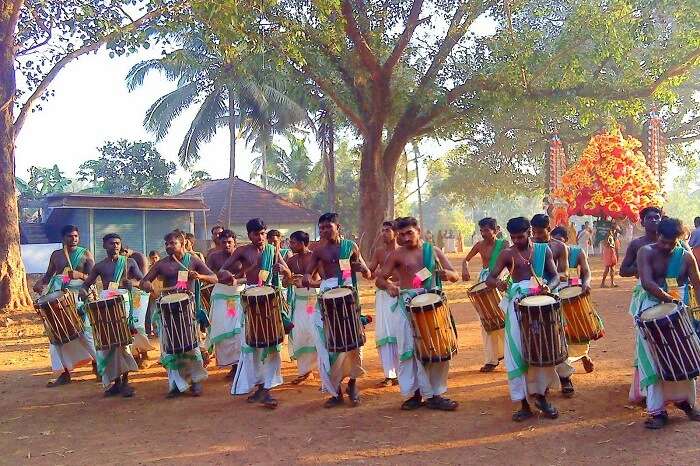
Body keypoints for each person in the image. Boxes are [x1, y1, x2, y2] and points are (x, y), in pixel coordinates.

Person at [376, 216, 461, 411]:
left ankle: (436, 394)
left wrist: (448, 275)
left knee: (435, 348)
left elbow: (454, 275)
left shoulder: (434, 251)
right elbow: (380, 279)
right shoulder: (396, 255)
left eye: (409, 233)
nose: (405, 238)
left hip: (434, 305)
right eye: (401, 234)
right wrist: (389, 285)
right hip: (407, 306)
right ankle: (414, 394)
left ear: (418, 231)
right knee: (409, 350)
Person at [485, 217, 561, 422]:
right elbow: (489, 278)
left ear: (530, 232)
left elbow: (555, 276)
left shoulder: (543, 251)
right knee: (517, 353)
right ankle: (524, 404)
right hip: (517, 308)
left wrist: (549, 287)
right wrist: (498, 284)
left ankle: (542, 397)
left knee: (541, 351)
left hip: (541, 307)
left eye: (521, 236)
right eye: (513, 237)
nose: (517, 240)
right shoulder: (507, 254)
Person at [631, 217, 700, 429]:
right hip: (650, 309)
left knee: (683, 356)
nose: (667, 246)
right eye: (663, 241)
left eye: (672, 242)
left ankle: (686, 403)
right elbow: (647, 282)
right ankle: (657, 411)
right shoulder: (646, 252)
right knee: (654, 361)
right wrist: (669, 300)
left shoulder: (686, 257)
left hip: (681, 311)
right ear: (657, 235)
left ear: (679, 239)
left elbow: (698, 285)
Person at [219, 218, 292, 408]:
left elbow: (288, 274)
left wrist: (283, 269)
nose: (260, 237)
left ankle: (267, 388)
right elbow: (222, 270)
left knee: (271, 346)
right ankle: (259, 386)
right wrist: (229, 276)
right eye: (255, 234)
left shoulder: (272, 250)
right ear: (249, 235)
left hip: (270, 300)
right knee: (251, 345)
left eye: (262, 233)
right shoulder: (242, 251)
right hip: (250, 299)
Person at [303, 212, 372, 407]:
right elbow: (309, 273)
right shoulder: (318, 250)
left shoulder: (351, 246)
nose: (324, 230)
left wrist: (363, 269)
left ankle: (352, 384)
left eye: (328, 227)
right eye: (321, 227)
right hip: (327, 298)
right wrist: (307, 279)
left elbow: (366, 271)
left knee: (353, 344)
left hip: (349, 297)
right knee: (328, 345)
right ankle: (336, 393)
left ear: (337, 227)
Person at [140, 230, 217, 397]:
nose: (168, 246)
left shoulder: (193, 260)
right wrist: (147, 285)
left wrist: (200, 275)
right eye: (166, 244)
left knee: (191, 346)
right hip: (167, 310)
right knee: (170, 349)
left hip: (187, 309)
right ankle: (176, 384)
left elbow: (214, 278)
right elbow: (144, 281)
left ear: (182, 243)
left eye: (172, 243)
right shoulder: (161, 264)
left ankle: (195, 381)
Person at [33, 225, 97, 387]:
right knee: (56, 337)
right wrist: (40, 283)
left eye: (76, 236)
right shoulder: (56, 255)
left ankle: (99, 365)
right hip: (59, 299)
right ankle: (64, 373)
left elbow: (93, 278)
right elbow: (48, 276)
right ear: (63, 238)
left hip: (80, 299)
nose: (73, 239)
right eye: (70, 236)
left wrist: (80, 275)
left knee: (86, 334)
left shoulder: (85, 254)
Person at [79, 233, 142, 397]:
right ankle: (116, 382)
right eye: (112, 243)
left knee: (123, 342)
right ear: (104, 246)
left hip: (124, 303)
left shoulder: (129, 262)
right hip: (106, 304)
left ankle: (126, 382)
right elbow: (86, 285)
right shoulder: (99, 266)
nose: (115, 246)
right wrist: (83, 292)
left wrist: (133, 283)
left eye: (118, 243)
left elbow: (143, 281)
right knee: (110, 342)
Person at [550, 226, 594, 396]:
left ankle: (583, 355)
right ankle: (565, 377)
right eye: (553, 241)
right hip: (555, 298)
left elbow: (587, 272)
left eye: (559, 241)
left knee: (578, 332)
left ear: (565, 241)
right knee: (561, 336)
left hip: (575, 296)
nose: (556, 244)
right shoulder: (547, 252)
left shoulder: (578, 252)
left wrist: (586, 283)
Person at [461, 217, 507, 372]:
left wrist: (505, 280)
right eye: (481, 230)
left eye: (486, 230)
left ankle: (511, 356)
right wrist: (464, 268)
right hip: (484, 283)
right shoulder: (479, 245)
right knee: (486, 322)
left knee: (505, 320)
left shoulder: (504, 244)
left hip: (500, 282)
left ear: (496, 230)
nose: (483, 233)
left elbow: (511, 262)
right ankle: (491, 360)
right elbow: (465, 260)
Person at [284, 230, 322, 384]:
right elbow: (285, 282)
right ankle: (305, 371)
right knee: (300, 333)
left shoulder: (315, 258)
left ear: (302, 243)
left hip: (313, 300)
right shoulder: (292, 261)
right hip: (298, 301)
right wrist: (289, 278)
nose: (290, 245)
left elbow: (323, 281)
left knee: (316, 333)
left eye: (293, 242)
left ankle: (324, 369)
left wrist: (308, 282)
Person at [366, 221, 400, 387]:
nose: (384, 233)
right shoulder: (379, 252)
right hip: (382, 295)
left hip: (400, 294)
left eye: (387, 230)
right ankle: (389, 374)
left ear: (395, 232)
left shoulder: (403, 251)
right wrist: (364, 268)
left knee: (400, 333)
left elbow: (413, 274)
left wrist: (392, 277)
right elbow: (370, 272)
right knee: (384, 333)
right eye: (382, 231)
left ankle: (403, 372)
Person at [203, 229, 240, 378]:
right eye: (223, 242)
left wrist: (235, 281)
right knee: (221, 329)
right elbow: (208, 275)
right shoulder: (213, 257)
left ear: (234, 243)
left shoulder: (241, 255)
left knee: (237, 330)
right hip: (220, 295)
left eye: (229, 242)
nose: (226, 245)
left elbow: (249, 275)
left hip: (237, 293)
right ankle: (231, 365)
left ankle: (239, 365)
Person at [619, 206, 663, 279]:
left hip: (671, 286)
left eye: (657, 217)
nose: (654, 220)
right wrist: (643, 266)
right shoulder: (636, 244)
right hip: (646, 287)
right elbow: (623, 271)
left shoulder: (671, 242)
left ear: (661, 221)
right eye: (649, 218)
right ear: (642, 223)